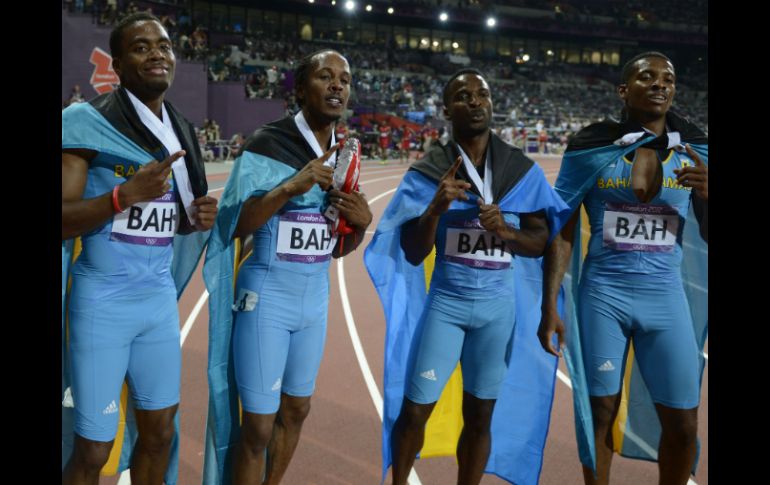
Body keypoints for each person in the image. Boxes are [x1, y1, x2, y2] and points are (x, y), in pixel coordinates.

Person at [365, 68, 571, 485]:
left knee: (480, 416)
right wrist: (435, 209)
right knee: (415, 409)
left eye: (482, 94)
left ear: (492, 104)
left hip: (498, 312)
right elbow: (413, 250)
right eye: (463, 96)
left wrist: (505, 232)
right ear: (446, 109)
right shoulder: (430, 171)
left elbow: (541, 240)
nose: (475, 101)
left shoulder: (518, 169)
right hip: (447, 306)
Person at [202, 49, 373, 485]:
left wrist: (362, 222)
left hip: (315, 299)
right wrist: (290, 187)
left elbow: (334, 248)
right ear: (300, 89)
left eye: (344, 79)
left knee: (297, 410)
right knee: (258, 426)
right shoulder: (267, 143)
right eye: (325, 77)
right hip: (266, 297)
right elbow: (236, 224)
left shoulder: (347, 153)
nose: (337, 85)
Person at [537, 51, 708, 485]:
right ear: (623, 90)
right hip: (603, 297)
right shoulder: (591, 146)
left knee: (685, 424)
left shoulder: (696, 148)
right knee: (600, 413)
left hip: (665, 299)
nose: (659, 84)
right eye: (646, 77)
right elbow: (562, 227)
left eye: (667, 78)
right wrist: (550, 305)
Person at [61, 13, 218, 485]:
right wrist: (122, 196)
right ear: (119, 62)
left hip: (157, 304)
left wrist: (195, 220)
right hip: (102, 303)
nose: (157, 54)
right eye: (142, 46)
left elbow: (176, 221)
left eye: (165, 45)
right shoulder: (85, 122)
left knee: (160, 434)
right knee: (93, 448)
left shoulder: (183, 131)